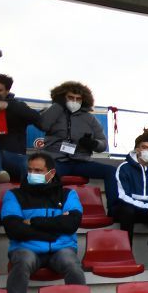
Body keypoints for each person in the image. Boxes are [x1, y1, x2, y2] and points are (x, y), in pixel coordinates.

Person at [1, 152, 85, 293]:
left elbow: (71, 223)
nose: (33, 174)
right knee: (22, 262)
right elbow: (13, 228)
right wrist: (53, 228)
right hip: (27, 248)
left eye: (38, 171)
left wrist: (32, 221)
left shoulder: (68, 194)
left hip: (60, 249)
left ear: (51, 173)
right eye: (30, 170)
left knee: (72, 264)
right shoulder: (13, 195)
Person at [36, 80, 118, 210]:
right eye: (70, 97)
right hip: (56, 161)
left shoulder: (90, 119)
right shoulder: (52, 111)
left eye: (78, 99)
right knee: (47, 174)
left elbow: (103, 144)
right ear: (63, 97)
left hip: (81, 161)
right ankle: (50, 210)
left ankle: (114, 209)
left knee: (111, 171)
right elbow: (43, 124)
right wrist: (58, 105)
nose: (74, 101)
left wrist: (93, 143)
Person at [0, 73, 40, 181]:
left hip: (11, 155)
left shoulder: (16, 106)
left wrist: (8, 105)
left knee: (29, 165)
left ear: (7, 91)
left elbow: (36, 117)